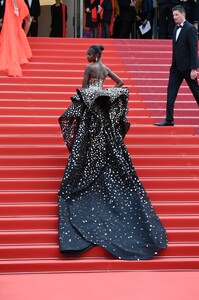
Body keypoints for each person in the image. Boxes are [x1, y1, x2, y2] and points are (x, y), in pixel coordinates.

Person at [58, 44, 167, 260]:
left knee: (88, 137)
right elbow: (120, 83)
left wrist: (90, 94)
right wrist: (105, 92)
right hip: (103, 108)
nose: (87, 56)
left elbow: (82, 89)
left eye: (89, 53)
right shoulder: (105, 67)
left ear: (95, 55)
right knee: (108, 139)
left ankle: (87, 162)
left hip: (91, 108)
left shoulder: (89, 69)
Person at [155, 5, 199, 126]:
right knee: (171, 92)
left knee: (196, 92)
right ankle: (169, 119)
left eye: (176, 15)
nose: (174, 17)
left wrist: (194, 69)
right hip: (175, 68)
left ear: (183, 14)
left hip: (187, 68)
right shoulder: (175, 29)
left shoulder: (190, 29)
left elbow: (194, 49)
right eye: (173, 15)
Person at [0, 0, 32, 77]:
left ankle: (22, 37)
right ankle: (22, 37)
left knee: (28, 20)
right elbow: (28, 20)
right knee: (28, 20)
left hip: (14, 7)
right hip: (15, 5)